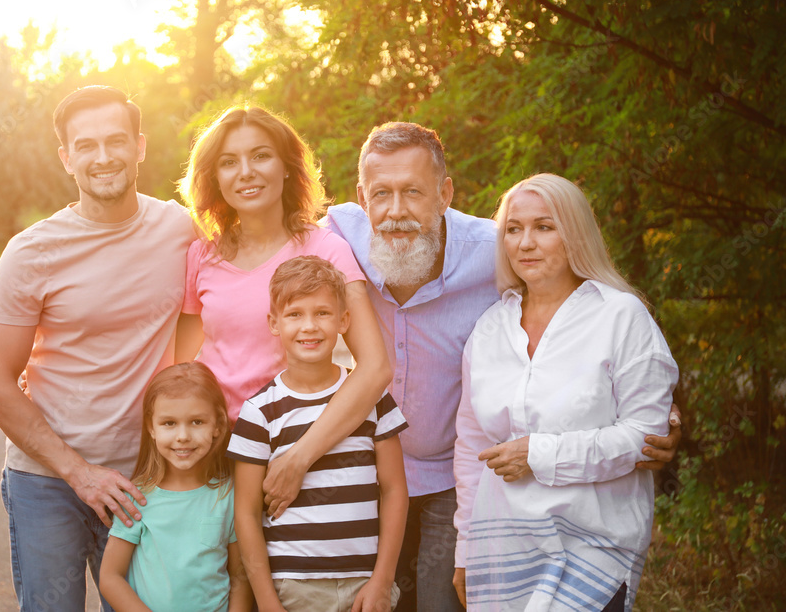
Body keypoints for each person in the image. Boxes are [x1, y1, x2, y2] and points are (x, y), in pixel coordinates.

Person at [315, 122, 683, 612]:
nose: (396, 211)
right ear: (362, 196)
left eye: (413, 192)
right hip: (370, 471)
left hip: (455, 481)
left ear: (445, 193)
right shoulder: (335, 239)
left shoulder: (501, 253)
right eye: (381, 193)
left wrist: (656, 414)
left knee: (440, 601)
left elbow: (613, 372)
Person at [0, 85, 197, 611]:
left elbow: (222, 298)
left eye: (116, 141)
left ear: (140, 146)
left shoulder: (180, 229)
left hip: (146, 478)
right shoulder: (31, 252)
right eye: (87, 145)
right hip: (47, 481)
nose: (103, 158)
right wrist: (79, 472)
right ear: (66, 157)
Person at [451, 173, 678, 610]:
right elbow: (471, 448)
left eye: (544, 227)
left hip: (594, 547)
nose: (525, 243)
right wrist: (466, 550)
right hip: (505, 551)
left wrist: (537, 453)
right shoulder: (489, 330)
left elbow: (644, 438)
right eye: (513, 229)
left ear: (575, 232)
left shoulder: (621, 316)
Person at [176, 105, 392, 518]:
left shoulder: (325, 249)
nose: (246, 172)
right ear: (215, 178)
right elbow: (179, 365)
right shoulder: (201, 255)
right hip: (216, 456)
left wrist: (298, 458)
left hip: (298, 452)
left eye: (261, 155)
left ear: (288, 167)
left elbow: (375, 367)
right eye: (228, 162)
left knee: (291, 581)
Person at [228, 256, 409, 612]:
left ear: (343, 320)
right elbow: (246, 515)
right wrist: (266, 602)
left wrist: (382, 580)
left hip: (365, 585)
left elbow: (394, 490)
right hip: (295, 586)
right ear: (274, 323)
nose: (309, 326)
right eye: (295, 314)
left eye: (322, 313)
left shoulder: (372, 399)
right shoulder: (259, 412)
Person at [98, 362, 251, 611]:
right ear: (151, 427)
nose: (183, 436)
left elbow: (239, 577)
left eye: (197, 422)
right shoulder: (137, 498)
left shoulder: (228, 495)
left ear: (218, 426)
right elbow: (110, 577)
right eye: (169, 423)